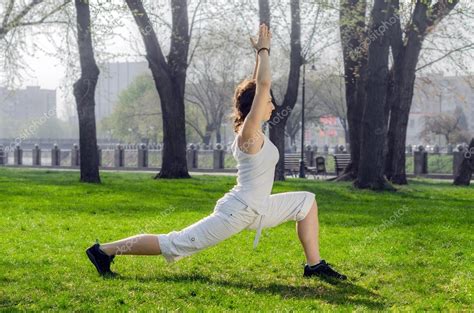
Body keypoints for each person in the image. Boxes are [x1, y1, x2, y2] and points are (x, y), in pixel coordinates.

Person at [86, 23, 347, 281]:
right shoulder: (249, 133)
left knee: (307, 202)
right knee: (175, 243)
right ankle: (104, 251)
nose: (272, 106)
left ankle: (314, 265)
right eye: (268, 101)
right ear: (254, 107)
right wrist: (265, 50)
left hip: (260, 208)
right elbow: (263, 85)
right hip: (238, 211)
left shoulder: (255, 131)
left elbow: (258, 84)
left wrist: (259, 55)